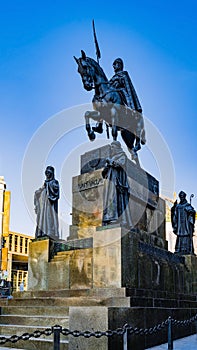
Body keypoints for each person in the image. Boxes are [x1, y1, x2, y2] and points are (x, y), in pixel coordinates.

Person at [93, 58, 145, 148]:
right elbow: (108, 87)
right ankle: (99, 125)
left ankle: (130, 111)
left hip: (122, 94)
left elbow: (128, 87)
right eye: (113, 64)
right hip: (113, 97)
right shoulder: (112, 78)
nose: (113, 66)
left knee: (116, 99)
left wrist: (117, 87)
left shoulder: (124, 74)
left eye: (115, 64)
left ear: (120, 65)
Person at [102, 141, 133, 228]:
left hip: (118, 181)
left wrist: (111, 162)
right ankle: (109, 217)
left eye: (113, 147)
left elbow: (120, 164)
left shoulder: (122, 156)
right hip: (110, 181)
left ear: (117, 147)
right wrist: (107, 167)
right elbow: (104, 173)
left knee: (116, 199)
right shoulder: (111, 158)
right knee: (110, 199)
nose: (111, 149)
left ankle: (117, 218)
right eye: (111, 147)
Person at [34, 166, 59, 239]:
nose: (47, 174)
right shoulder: (44, 184)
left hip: (49, 205)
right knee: (41, 219)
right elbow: (37, 192)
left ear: (52, 173)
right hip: (42, 205)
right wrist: (41, 189)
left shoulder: (54, 182)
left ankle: (49, 232)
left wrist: (47, 185)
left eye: (49, 173)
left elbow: (55, 190)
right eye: (46, 173)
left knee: (49, 218)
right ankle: (41, 233)